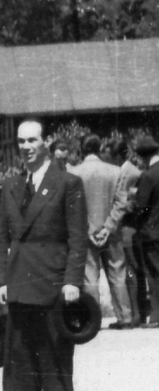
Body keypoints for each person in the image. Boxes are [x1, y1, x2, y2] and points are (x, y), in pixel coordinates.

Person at [0, 119, 88, 391]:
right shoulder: (9, 185)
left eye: (32, 140)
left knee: (54, 349)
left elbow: (78, 237)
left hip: (52, 278)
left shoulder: (67, 183)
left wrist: (73, 279)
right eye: (21, 141)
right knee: (19, 350)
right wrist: (1, 281)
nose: (26, 147)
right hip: (19, 277)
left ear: (46, 142)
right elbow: (1, 237)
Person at [68, 134, 133, 327]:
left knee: (90, 277)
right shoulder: (115, 171)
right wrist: (108, 227)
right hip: (111, 233)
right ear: (99, 148)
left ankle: (92, 320)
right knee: (117, 273)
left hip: (86, 232)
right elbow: (121, 203)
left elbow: (72, 206)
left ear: (81, 149)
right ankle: (126, 317)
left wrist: (88, 229)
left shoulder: (74, 172)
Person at [121, 135, 159, 323]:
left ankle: (157, 314)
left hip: (151, 231)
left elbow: (141, 205)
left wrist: (129, 200)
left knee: (154, 272)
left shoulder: (148, 175)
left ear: (143, 156)